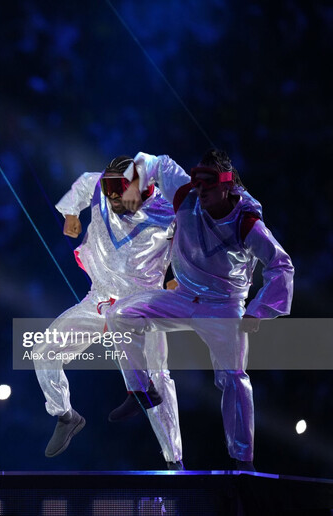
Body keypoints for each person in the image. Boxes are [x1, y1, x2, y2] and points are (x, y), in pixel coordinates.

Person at [106, 149, 294, 471]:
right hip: (184, 296)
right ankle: (141, 390)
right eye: (196, 180)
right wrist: (133, 182)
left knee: (234, 378)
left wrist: (258, 311)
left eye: (208, 182)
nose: (200, 188)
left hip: (224, 307)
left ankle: (243, 464)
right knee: (121, 315)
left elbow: (281, 265)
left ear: (227, 185)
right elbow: (157, 162)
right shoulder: (186, 196)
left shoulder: (246, 222)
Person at [33, 156, 183, 469]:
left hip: (143, 305)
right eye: (110, 197)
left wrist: (177, 277)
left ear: (140, 188)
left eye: (121, 197)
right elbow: (86, 184)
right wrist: (72, 212)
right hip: (99, 298)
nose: (114, 202)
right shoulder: (103, 186)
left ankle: (174, 461)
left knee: (156, 380)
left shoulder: (168, 210)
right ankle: (65, 416)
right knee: (44, 350)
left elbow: (190, 245)